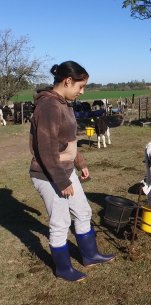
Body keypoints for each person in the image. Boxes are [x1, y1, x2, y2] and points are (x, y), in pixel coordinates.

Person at [29, 61, 114, 282]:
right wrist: (61, 181)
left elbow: (67, 141)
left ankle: (90, 255)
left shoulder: (64, 103)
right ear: (68, 81)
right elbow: (46, 150)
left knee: (83, 212)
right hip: (48, 175)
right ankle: (63, 269)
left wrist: (80, 163)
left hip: (66, 171)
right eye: (80, 86)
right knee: (60, 222)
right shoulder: (48, 106)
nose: (82, 91)